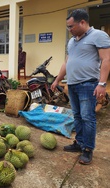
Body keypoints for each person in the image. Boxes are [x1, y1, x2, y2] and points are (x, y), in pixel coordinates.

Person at [51, 9, 110, 165]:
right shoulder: (72, 41)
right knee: (77, 116)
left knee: (87, 117)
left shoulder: (99, 35)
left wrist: (102, 84)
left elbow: (106, 59)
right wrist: (57, 80)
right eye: (68, 27)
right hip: (73, 84)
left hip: (88, 84)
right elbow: (66, 63)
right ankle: (79, 143)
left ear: (82, 22)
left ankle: (88, 149)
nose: (69, 30)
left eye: (71, 26)